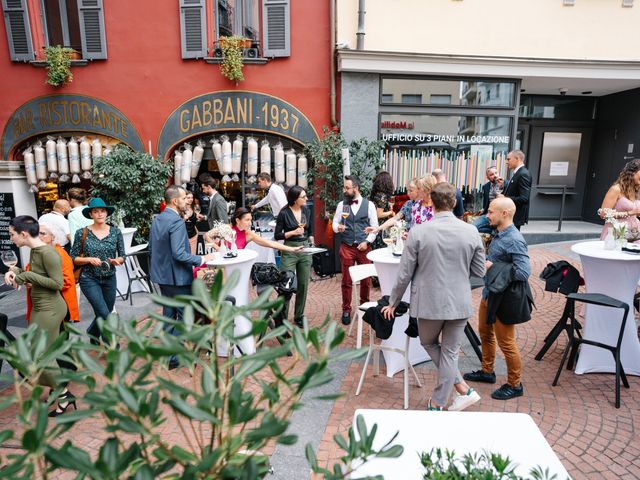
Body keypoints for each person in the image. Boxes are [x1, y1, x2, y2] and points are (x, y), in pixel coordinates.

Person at [382, 183, 486, 411]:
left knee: (429, 342)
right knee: (449, 352)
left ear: (433, 202)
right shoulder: (471, 231)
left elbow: (404, 273)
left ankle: (440, 402)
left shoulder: (419, 231)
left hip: (428, 302)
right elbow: (479, 271)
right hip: (459, 301)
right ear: (455, 203)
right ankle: (460, 390)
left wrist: (393, 301)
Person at [4, 216, 74, 416]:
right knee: (38, 355)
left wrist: (25, 276)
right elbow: (36, 276)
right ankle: (61, 392)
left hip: (50, 308)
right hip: (39, 307)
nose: (11, 239)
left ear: (24, 234)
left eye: (12, 234)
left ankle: (63, 394)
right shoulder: (36, 251)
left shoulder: (48, 252)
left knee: (42, 356)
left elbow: (57, 284)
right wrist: (15, 271)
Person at [463, 197, 531, 401]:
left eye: (491, 212)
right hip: (489, 293)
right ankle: (487, 371)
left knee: (507, 343)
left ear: (505, 214)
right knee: (485, 333)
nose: (487, 215)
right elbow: (477, 226)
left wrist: (493, 266)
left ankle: (514, 384)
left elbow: (524, 272)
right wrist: (488, 217)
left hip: (504, 299)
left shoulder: (515, 239)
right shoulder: (498, 230)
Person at [150, 186, 215, 369]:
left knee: (169, 316)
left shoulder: (158, 219)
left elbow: (154, 248)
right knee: (184, 316)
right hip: (177, 277)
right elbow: (179, 254)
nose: (186, 200)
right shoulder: (177, 222)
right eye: (183, 197)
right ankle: (176, 357)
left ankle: (169, 356)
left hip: (162, 276)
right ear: (174, 201)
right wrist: (203, 258)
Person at [71, 198, 125, 345]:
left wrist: (117, 261)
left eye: (102, 211)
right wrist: (88, 259)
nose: (99, 214)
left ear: (106, 213)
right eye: (96, 211)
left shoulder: (116, 232)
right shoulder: (81, 233)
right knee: (105, 314)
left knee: (103, 311)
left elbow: (122, 256)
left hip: (109, 278)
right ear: (91, 214)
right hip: (89, 278)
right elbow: (73, 258)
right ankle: (112, 345)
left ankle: (93, 332)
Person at [332, 175, 378, 325]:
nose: (344, 190)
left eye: (347, 188)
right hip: (346, 246)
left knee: (366, 279)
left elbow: (375, 228)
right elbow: (335, 223)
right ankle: (346, 309)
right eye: (344, 187)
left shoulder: (369, 205)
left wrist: (367, 242)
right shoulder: (342, 205)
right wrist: (337, 228)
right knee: (346, 280)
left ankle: (364, 307)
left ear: (356, 188)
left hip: (364, 247)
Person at [275, 186, 314, 327]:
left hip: (304, 249)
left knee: (303, 284)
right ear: (295, 199)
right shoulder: (284, 213)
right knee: (286, 285)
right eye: (303, 197)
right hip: (289, 249)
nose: (306, 199)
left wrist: (311, 240)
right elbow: (277, 235)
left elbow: (310, 229)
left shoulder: (306, 210)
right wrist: (293, 232)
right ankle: (282, 320)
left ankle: (299, 316)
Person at [38, 222, 80, 323]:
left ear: (53, 237)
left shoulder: (60, 254)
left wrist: (37, 283)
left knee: (59, 335)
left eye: (43, 233)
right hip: (45, 303)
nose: (39, 236)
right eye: (36, 234)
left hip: (60, 301)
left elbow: (66, 281)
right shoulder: (39, 252)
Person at [598, 158, 640, 239]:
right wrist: (630, 213)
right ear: (632, 172)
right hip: (616, 233)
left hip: (635, 234)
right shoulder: (616, 189)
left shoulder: (637, 191)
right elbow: (603, 213)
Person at [498, 150, 531, 230]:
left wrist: (505, 198)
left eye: (508, 159)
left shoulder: (523, 174)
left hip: (515, 216)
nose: (506, 162)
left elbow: (524, 198)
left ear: (517, 159)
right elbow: (515, 190)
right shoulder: (518, 173)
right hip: (511, 215)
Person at [369, 171, 395, 249]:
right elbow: (379, 214)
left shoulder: (377, 194)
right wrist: (391, 212)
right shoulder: (382, 196)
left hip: (375, 225)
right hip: (380, 227)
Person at [473, 166, 503, 234]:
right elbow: (486, 201)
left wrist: (501, 186)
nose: (495, 175)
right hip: (488, 214)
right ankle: (492, 231)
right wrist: (484, 208)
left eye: (496, 173)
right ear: (488, 177)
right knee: (472, 227)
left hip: (500, 215)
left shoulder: (505, 184)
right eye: (491, 174)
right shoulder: (486, 186)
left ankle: (494, 231)